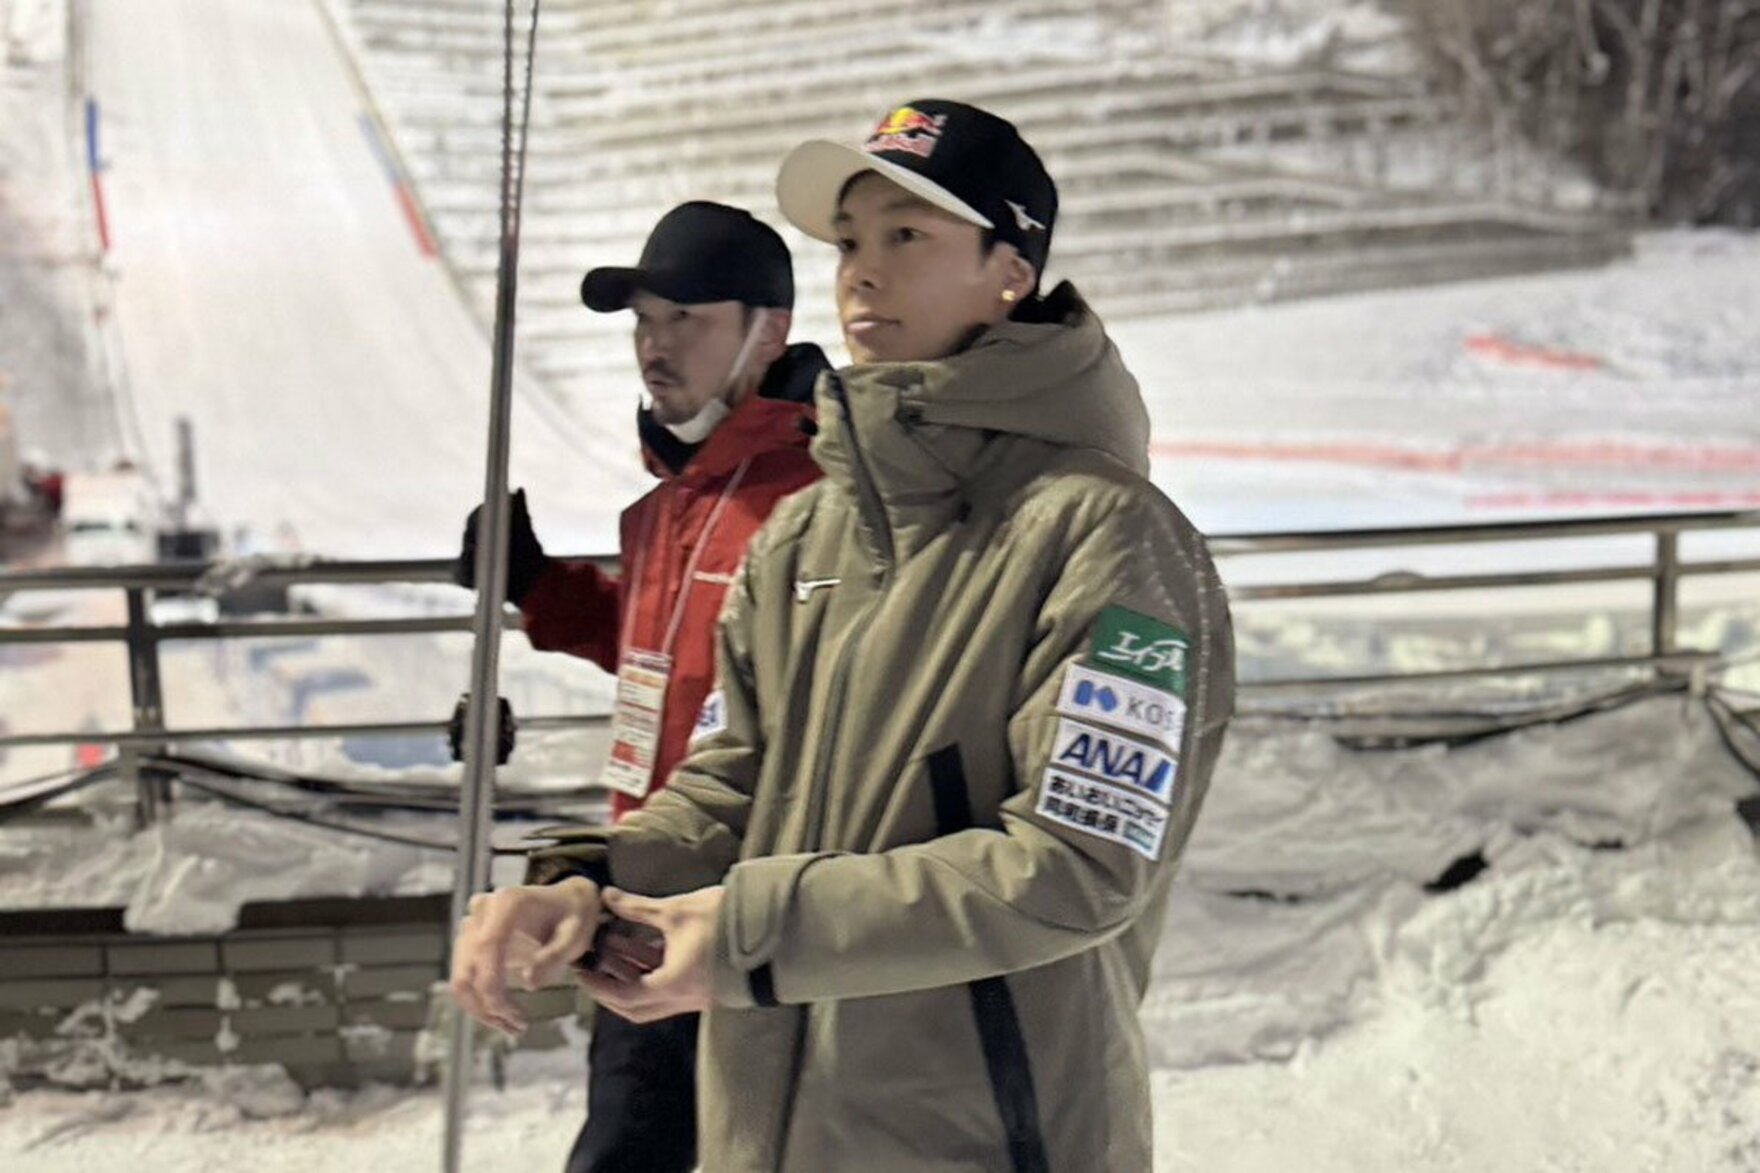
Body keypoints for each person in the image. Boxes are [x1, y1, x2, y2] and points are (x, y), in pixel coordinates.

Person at [452, 100, 1235, 1172]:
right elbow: (729, 784)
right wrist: (581, 878)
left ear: (1009, 270)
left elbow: (1075, 867)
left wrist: (743, 936)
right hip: (768, 1128)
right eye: (850, 242)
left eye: (906, 236)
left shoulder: (1107, 534)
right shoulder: (811, 529)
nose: (862, 272)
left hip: (987, 1141)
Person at [452, 200, 829, 1173]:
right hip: (640, 881)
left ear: (767, 331)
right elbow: (657, 656)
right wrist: (538, 588)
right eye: (643, 324)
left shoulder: (810, 501)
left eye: (685, 321)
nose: (655, 349)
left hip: (741, 905)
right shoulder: (669, 505)